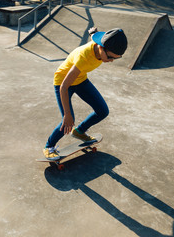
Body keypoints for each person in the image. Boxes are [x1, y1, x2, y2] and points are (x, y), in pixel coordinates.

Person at [43, 27, 128, 158]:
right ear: (101, 48)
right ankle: (49, 146)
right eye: (110, 57)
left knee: (102, 111)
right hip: (63, 82)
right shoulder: (83, 57)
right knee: (68, 121)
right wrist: (67, 115)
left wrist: (93, 32)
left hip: (81, 80)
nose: (111, 61)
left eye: (115, 59)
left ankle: (80, 131)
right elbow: (64, 87)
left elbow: (94, 36)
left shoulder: (100, 45)